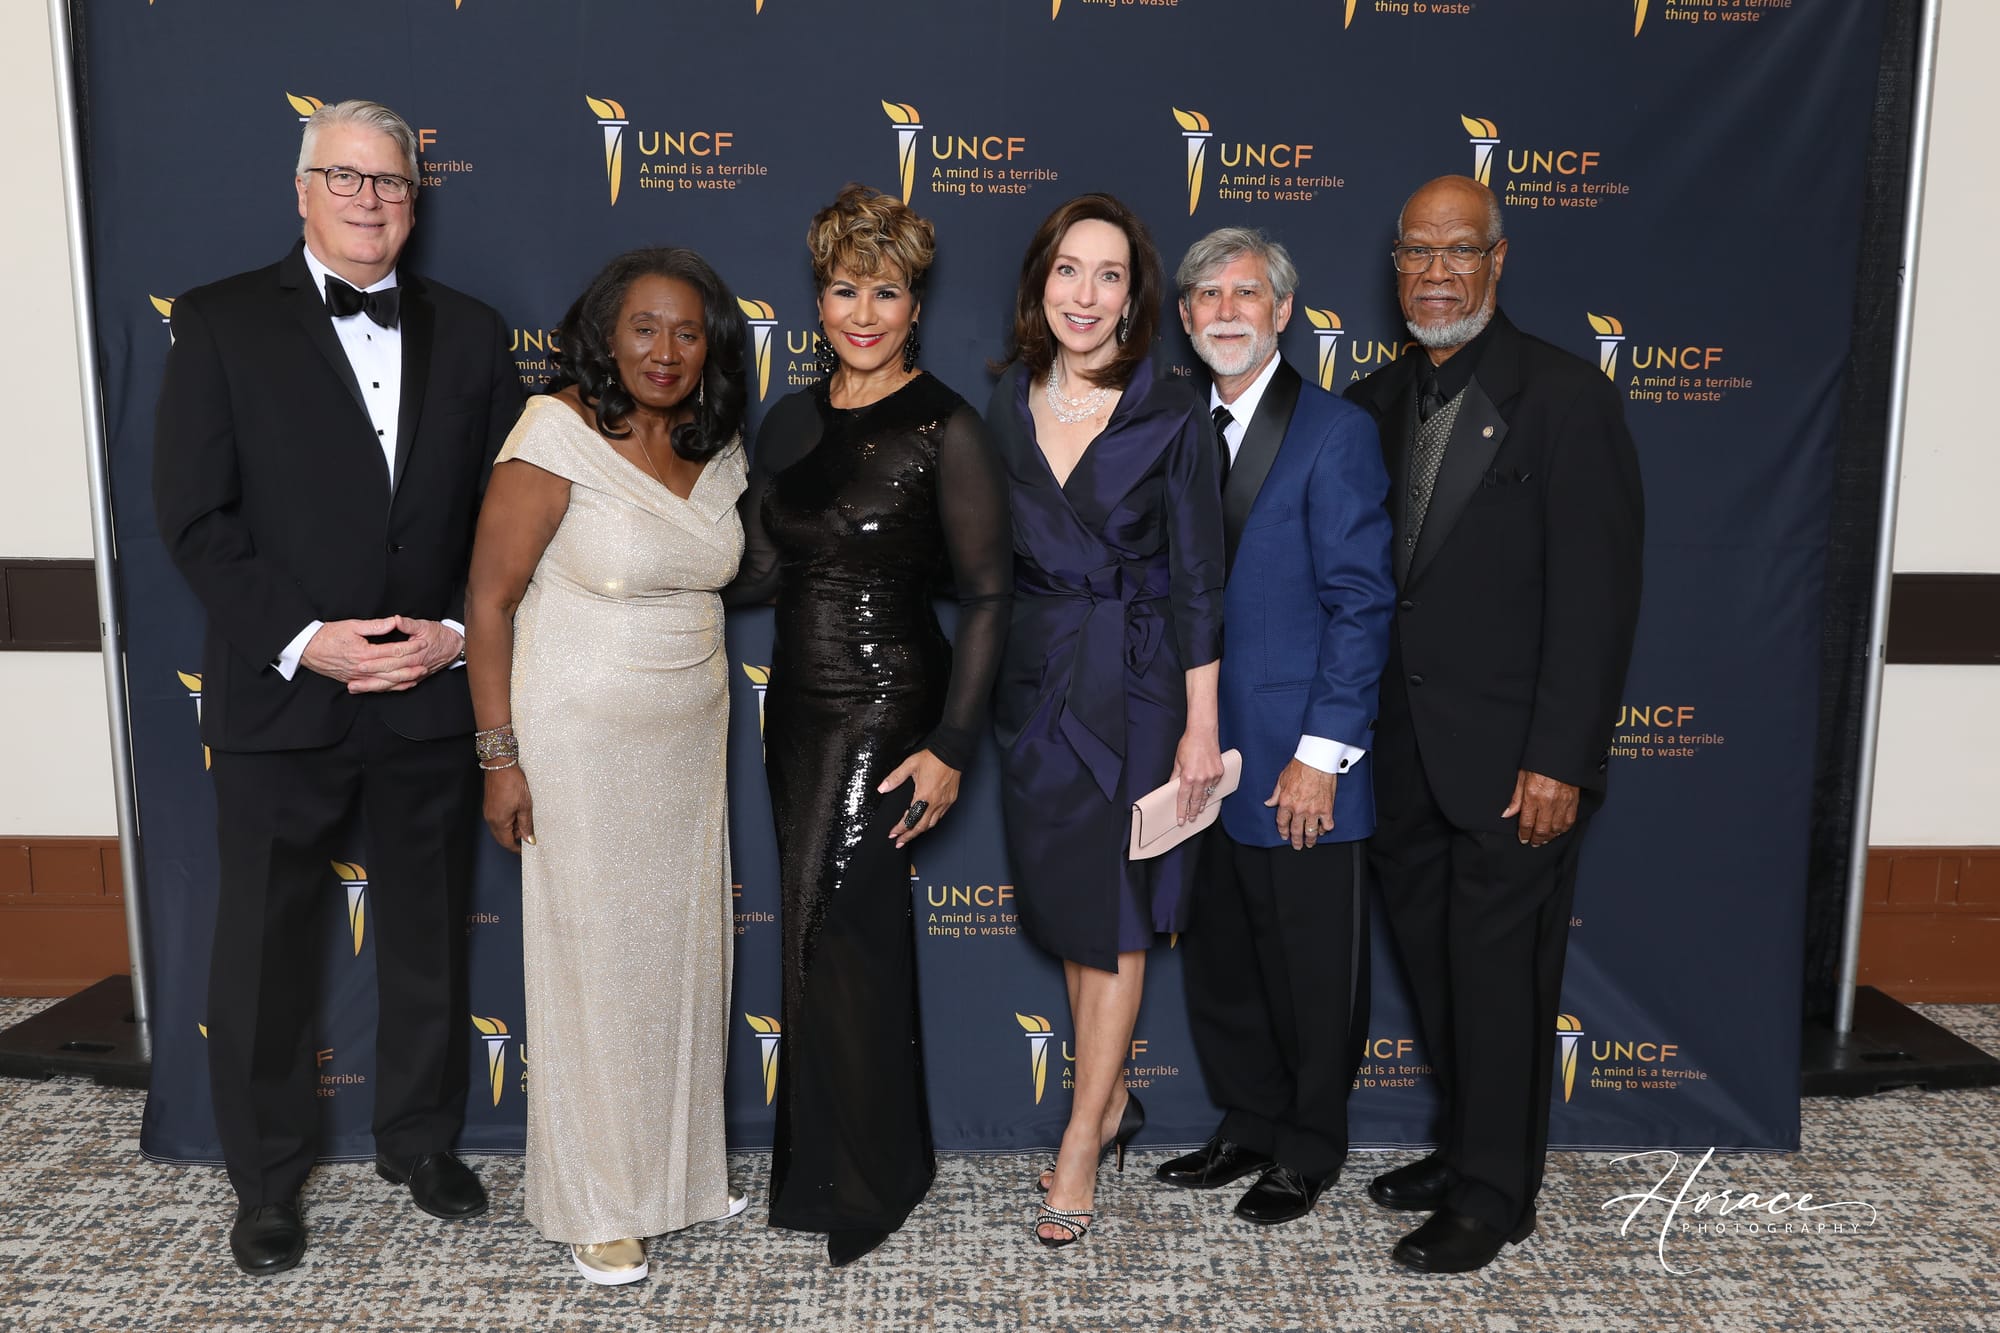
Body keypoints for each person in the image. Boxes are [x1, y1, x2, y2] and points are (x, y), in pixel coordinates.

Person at [151, 99, 524, 1276]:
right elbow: (195, 519)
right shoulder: (217, 322)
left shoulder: (475, 333)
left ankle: (420, 1140)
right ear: (302, 191)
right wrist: (307, 639)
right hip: (282, 697)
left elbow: (509, 514)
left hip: (425, 688)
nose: (370, 200)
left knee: (427, 938)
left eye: (391, 182)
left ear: (417, 198)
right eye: (347, 178)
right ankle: (265, 1181)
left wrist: (457, 634)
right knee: (264, 953)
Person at [1347, 175, 1644, 1273]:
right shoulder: (1372, 404)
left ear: (1496, 260)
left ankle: (1492, 1193)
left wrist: (1560, 757)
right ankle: (1465, 1147)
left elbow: (1596, 598)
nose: (1436, 273)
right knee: (1436, 971)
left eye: (1458, 251)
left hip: (1518, 763)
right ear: (1396, 267)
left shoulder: (1565, 397)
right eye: (1417, 252)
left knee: (1499, 978)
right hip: (1399, 754)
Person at [726, 184, 1011, 1268]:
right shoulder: (789, 420)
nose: (863, 313)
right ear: (818, 300)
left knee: (843, 928)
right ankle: (841, 1162)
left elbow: (988, 596)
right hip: (795, 708)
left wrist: (952, 745)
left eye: (884, 293)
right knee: (813, 926)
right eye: (846, 290)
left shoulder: (948, 426)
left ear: (914, 307)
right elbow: (756, 570)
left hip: (891, 704)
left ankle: (870, 1176)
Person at [462, 248, 750, 1285]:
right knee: (591, 965)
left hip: (689, 737)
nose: (665, 351)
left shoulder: (715, 442)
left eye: (687, 332)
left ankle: (676, 1175)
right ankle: (595, 1204)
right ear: (605, 334)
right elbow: (489, 600)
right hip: (578, 738)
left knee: (681, 958)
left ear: (711, 346)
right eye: (644, 327)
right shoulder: (554, 432)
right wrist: (499, 757)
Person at [988, 194, 1226, 1248]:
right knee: (1078, 912)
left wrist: (1199, 726)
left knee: (1121, 914)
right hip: (1036, 681)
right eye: (1068, 270)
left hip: (1137, 687)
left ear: (1135, 298)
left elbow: (1200, 581)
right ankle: (1113, 1093)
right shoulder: (1005, 402)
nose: (1085, 294)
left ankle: (1081, 1139)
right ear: (1040, 283)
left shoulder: (1171, 409)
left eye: (1109, 275)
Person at [1156, 228, 1394, 1224]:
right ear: (1183, 316)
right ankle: (1249, 1120)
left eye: (1245, 293)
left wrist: (1321, 755)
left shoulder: (1334, 432)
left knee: (1309, 968)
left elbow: (1361, 602)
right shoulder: (1170, 426)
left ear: (1283, 311)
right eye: (1206, 295)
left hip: (1298, 756)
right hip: (1195, 754)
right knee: (1222, 960)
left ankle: (1308, 1144)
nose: (1226, 311)